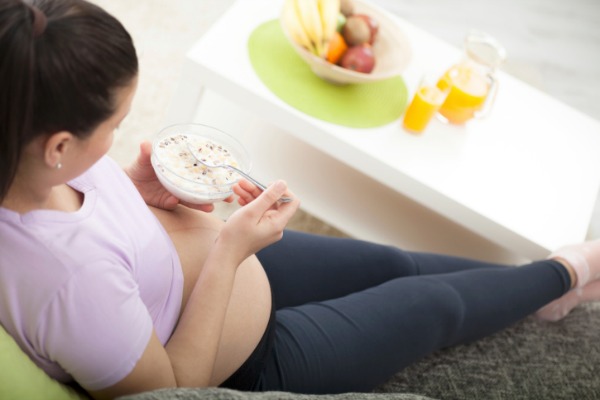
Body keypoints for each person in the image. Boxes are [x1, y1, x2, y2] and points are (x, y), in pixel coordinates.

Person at [1, 0, 599, 399]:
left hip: (211, 269)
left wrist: (134, 192)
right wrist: (229, 253)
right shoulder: (69, 286)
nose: (117, 135)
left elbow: (85, 224)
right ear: (58, 146)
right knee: (433, 305)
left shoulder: (20, 155)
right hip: (252, 359)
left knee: (394, 263)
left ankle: (535, 290)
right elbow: (175, 390)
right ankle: (567, 271)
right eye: (114, 125)